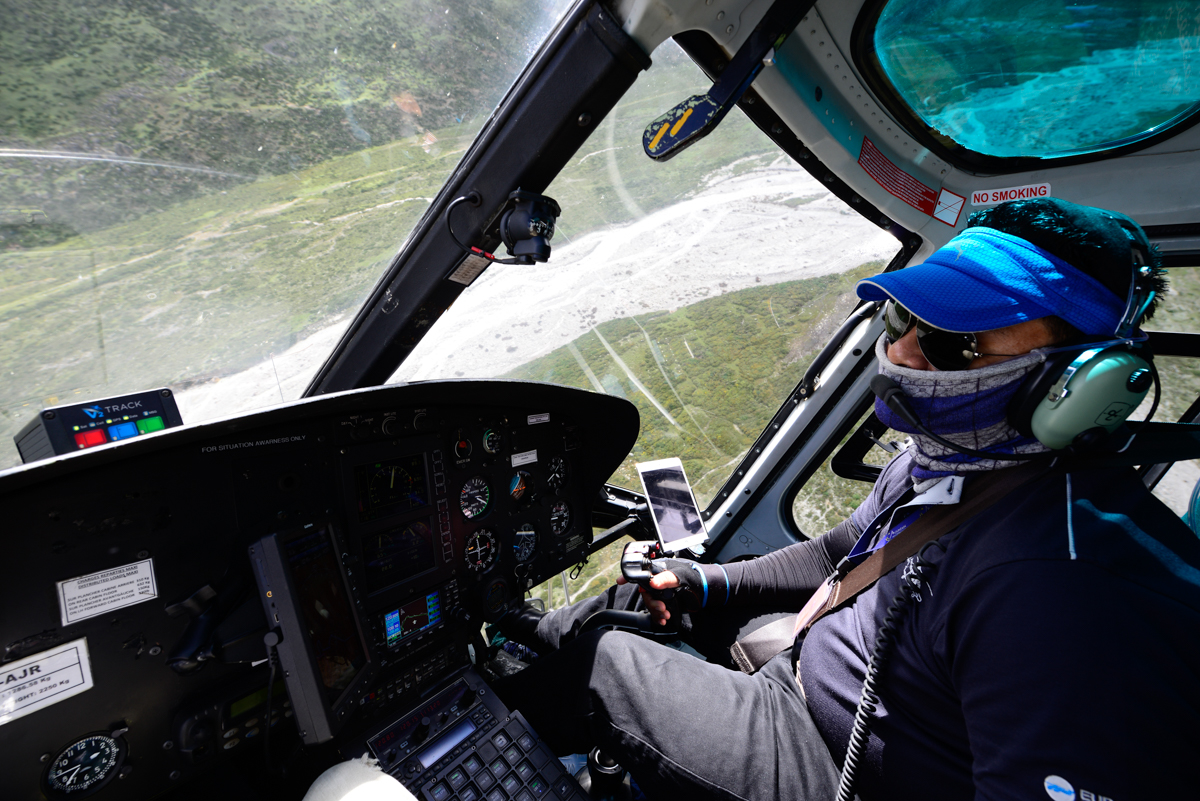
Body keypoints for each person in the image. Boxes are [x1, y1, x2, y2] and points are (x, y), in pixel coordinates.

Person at [493, 198, 1200, 800]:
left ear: (1086, 381)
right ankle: (511, 632)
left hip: (829, 761)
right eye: (902, 320)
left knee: (607, 661)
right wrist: (709, 581)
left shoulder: (1062, 593)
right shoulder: (950, 462)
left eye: (958, 343)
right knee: (630, 600)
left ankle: (449, 750)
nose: (909, 354)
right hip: (808, 669)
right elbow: (842, 551)